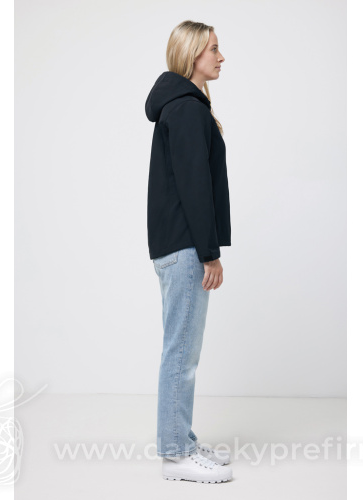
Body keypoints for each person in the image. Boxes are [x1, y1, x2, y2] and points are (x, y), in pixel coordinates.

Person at [145, 20, 233, 483]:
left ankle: (182, 439)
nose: (221, 57)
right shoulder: (186, 109)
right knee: (181, 352)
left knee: (181, 350)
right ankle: (176, 455)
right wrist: (209, 252)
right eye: (214, 49)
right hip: (185, 247)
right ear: (192, 54)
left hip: (179, 244)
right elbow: (194, 186)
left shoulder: (183, 106)